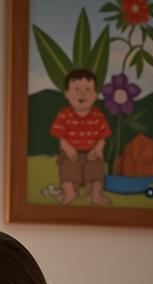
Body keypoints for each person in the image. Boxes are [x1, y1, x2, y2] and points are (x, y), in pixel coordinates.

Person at [49, 68, 111, 206]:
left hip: (92, 153)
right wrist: (68, 148)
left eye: (88, 89)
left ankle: (95, 194)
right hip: (71, 153)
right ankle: (70, 192)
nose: (82, 93)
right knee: (68, 172)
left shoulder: (98, 115)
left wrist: (98, 149)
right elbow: (61, 137)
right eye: (76, 89)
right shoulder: (64, 114)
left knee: (96, 171)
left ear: (95, 95)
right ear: (67, 94)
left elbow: (103, 136)